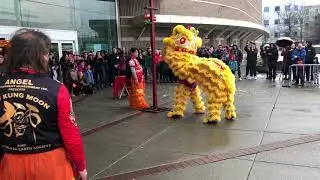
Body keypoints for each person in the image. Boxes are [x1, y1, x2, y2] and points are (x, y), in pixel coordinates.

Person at [0, 29, 87, 180]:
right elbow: (70, 133)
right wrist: (81, 166)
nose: (48, 57)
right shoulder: (56, 88)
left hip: (10, 163)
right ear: (38, 56)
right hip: (51, 164)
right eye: (46, 53)